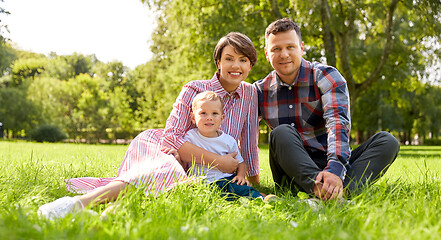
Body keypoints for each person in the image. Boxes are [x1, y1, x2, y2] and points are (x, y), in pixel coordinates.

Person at [38, 32, 260, 219]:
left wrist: (254, 182)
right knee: (164, 171)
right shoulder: (195, 88)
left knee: (171, 188)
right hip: (167, 148)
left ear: (250, 64)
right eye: (229, 58)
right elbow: (172, 137)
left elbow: (249, 142)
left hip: (200, 170)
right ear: (218, 62)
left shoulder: (250, 93)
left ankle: (112, 211)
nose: (236, 66)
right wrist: (219, 161)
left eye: (243, 60)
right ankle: (76, 204)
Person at [254, 18, 400, 201]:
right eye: (276, 49)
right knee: (281, 133)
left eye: (290, 47)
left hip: (329, 160)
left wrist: (335, 169)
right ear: (267, 53)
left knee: (388, 141)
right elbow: (237, 130)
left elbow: (337, 122)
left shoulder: (325, 76)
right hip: (290, 172)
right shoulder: (259, 91)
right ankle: (326, 194)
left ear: (301, 46)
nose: (284, 54)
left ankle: (335, 194)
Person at [180, 91, 268, 200]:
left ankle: (263, 199)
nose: (209, 118)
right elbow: (184, 157)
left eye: (214, 113)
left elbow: (240, 163)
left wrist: (240, 176)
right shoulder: (190, 137)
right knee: (213, 196)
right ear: (193, 117)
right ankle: (238, 199)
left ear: (222, 118)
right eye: (203, 113)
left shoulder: (228, 140)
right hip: (203, 182)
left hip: (228, 179)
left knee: (242, 189)